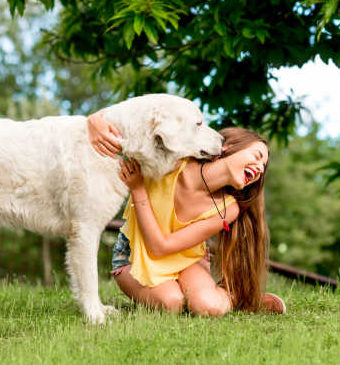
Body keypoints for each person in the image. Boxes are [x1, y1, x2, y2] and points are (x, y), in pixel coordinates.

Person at [88, 110, 286, 316]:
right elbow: (136, 120)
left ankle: (239, 299)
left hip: (188, 260)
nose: (260, 169)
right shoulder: (174, 159)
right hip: (133, 257)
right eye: (257, 156)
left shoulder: (228, 208)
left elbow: (162, 247)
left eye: (263, 167)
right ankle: (178, 291)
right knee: (172, 303)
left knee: (208, 307)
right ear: (227, 145)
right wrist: (96, 121)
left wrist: (138, 190)